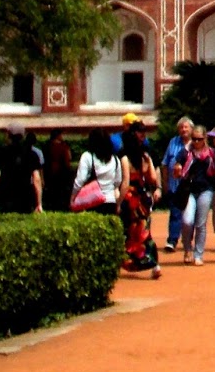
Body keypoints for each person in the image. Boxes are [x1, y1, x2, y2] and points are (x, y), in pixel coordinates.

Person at [119, 123, 163, 278]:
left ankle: (133, 261)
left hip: (130, 198)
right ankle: (154, 264)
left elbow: (125, 182)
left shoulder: (124, 158)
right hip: (143, 197)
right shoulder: (146, 156)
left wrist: (118, 202)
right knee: (145, 231)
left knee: (129, 231)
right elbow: (152, 177)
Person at [174, 125, 215, 265]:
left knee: (201, 224)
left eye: (199, 139)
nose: (196, 142)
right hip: (189, 190)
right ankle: (187, 248)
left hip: (206, 189)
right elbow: (176, 170)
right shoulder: (185, 153)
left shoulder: (212, 153)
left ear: (205, 138)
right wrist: (177, 170)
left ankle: (198, 254)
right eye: (194, 139)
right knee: (187, 221)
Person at [0, 124, 42, 214]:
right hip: (25, 198)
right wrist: (39, 204)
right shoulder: (31, 154)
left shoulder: (1, 153)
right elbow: (37, 179)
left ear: (8, 135)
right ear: (23, 136)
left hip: (6, 198)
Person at [72, 128, 127, 217]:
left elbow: (80, 180)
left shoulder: (87, 156)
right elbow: (117, 182)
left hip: (91, 201)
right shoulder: (115, 159)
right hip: (110, 202)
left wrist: (73, 197)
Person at [160, 117, 195, 251]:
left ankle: (187, 240)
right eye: (181, 127)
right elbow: (165, 164)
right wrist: (165, 183)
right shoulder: (173, 142)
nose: (183, 130)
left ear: (191, 129)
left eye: (186, 127)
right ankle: (172, 240)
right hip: (174, 185)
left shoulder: (195, 143)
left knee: (189, 216)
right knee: (175, 213)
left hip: (190, 187)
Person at [42, 129, 75, 211]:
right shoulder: (63, 147)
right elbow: (68, 160)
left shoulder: (46, 146)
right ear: (58, 136)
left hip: (49, 173)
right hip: (61, 174)